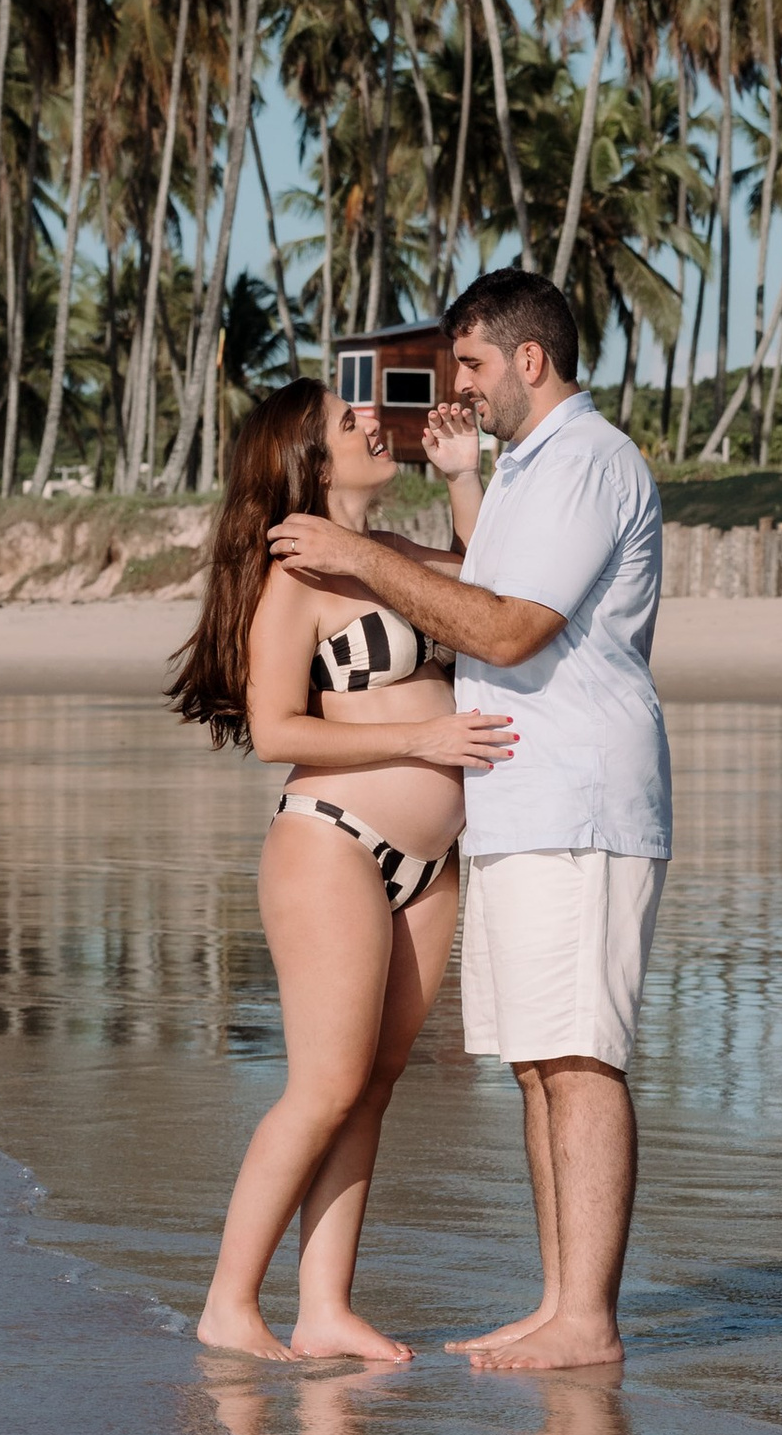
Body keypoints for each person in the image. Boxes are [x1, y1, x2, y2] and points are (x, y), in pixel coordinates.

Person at [266, 269, 667, 1372]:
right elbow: (486, 574)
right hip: (523, 808)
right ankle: (558, 1303)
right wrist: (456, 481)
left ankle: (585, 1315)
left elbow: (504, 628)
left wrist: (364, 555)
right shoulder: (529, 469)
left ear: (529, 359)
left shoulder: (586, 461)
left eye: (476, 365)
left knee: (579, 1057)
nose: (463, 386)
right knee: (541, 1061)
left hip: (580, 801)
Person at [170, 373, 514, 1363]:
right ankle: (230, 1304)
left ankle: (325, 1306)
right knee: (323, 1084)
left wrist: (460, 478)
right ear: (308, 460)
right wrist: (422, 745)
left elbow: (486, 598)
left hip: (428, 859)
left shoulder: (392, 554)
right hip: (331, 842)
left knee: (375, 1082)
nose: (371, 420)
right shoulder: (296, 573)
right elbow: (278, 724)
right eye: (345, 419)